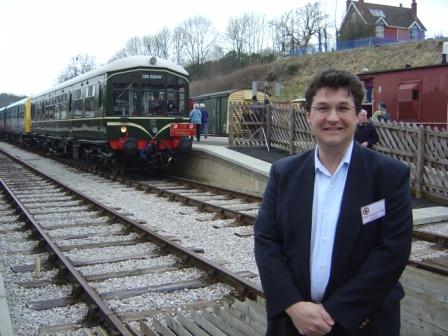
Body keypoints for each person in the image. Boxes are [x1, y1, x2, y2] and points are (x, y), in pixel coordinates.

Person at [254, 69, 412, 336]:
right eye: (323, 108)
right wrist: (292, 304)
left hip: (364, 323)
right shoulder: (284, 174)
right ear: (308, 116)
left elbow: (392, 252)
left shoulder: (389, 176)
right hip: (294, 324)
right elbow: (267, 241)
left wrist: (335, 313)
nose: (333, 118)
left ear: (357, 114)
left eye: (343, 108)